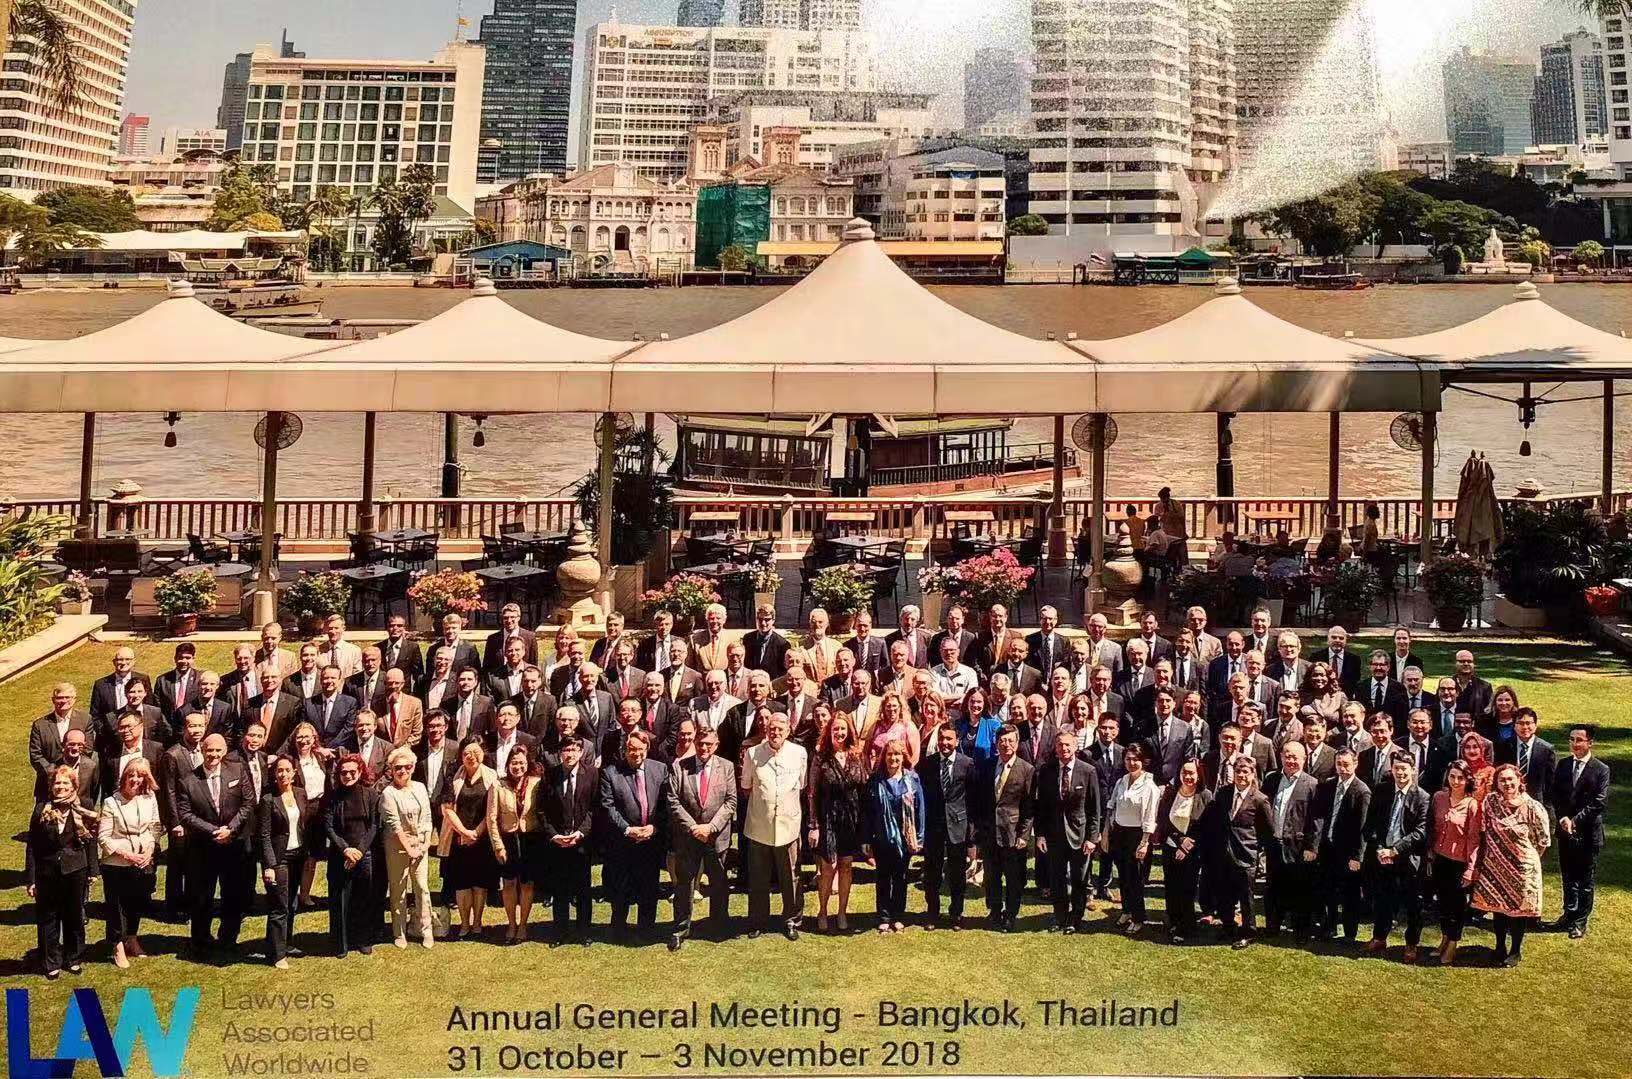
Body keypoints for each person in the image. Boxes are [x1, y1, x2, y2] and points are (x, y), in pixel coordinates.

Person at [174, 733, 251, 958]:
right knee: (201, 896)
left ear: (224, 751)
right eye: (209, 750)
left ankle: (228, 939)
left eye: (218, 750)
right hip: (203, 847)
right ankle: (200, 940)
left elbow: (248, 803)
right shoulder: (188, 780)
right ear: (202, 751)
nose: (213, 755)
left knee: (232, 894)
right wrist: (214, 831)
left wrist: (231, 829)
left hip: (233, 846)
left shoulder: (237, 770)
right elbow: (185, 814)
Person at [1473, 763, 1552, 966]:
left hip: (1522, 867)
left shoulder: (1532, 806)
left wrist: (1526, 858)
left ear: (1519, 781)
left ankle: (1515, 951)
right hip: (1495, 865)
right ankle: (1499, 947)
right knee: (1498, 907)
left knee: (1518, 910)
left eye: (1510, 779)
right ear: (1497, 783)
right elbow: (1483, 829)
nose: (1507, 783)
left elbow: (1543, 840)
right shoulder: (1490, 802)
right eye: (1502, 780)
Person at [666, 726, 736, 950]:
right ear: (694, 743)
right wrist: (694, 827)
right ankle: (681, 927)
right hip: (688, 837)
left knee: (719, 883)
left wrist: (711, 827)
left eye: (709, 744)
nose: (704, 748)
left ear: (716, 745)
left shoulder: (727, 766)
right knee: (684, 884)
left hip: (716, 837)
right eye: (700, 743)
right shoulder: (679, 766)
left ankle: (718, 925)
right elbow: (673, 801)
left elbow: (731, 802)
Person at [742, 711, 807, 941]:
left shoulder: (799, 753)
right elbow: (746, 786)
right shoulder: (752, 753)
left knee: (791, 877)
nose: (775, 733)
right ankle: (757, 921)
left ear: (788, 731)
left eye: (780, 729)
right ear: (766, 730)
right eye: (772, 729)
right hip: (759, 825)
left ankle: (792, 920)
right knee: (758, 878)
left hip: (789, 826)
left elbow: (801, 785)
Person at [27, 766, 96, 977]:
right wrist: (31, 879)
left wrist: (93, 870)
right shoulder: (42, 809)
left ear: (74, 785)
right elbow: (32, 846)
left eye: (66, 783)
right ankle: (51, 962)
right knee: (49, 917)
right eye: (57, 782)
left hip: (76, 870)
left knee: (74, 915)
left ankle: (73, 957)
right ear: (51, 786)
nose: (61, 786)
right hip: (46, 872)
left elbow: (91, 840)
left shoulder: (84, 806)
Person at [1364, 753, 1432, 962]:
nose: (1400, 773)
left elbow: (1421, 832)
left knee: (1413, 905)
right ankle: (1379, 937)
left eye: (1404, 768)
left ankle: (1411, 944)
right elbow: (1371, 824)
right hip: (1382, 856)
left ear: (1413, 770)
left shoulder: (1422, 797)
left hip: (1408, 859)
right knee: (1382, 899)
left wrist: (1395, 850)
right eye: (1396, 768)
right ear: (1391, 769)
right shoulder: (1382, 791)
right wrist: (1379, 848)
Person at [97, 757, 163, 969]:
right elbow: (103, 837)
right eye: (131, 775)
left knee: (137, 902)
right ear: (124, 777)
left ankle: (132, 938)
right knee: (117, 906)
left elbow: (155, 827)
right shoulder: (111, 802)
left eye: (140, 776)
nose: (135, 780)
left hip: (142, 859)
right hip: (117, 863)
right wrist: (127, 855)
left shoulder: (149, 798)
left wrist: (150, 850)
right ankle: (117, 945)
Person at [806, 705, 867, 932]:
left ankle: (842, 911)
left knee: (846, 866)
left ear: (848, 731)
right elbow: (812, 793)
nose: (839, 733)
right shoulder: (820, 757)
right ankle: (822, 911)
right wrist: (814, 825)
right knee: (828, 867)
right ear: (829, 731)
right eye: (835, 729)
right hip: (827, 819)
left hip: (850, 820)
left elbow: (863, 786)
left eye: (843, 729)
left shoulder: (856, 755)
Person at [1035, 729, 1100, 933]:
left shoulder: (1088, 771)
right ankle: (1060, 917)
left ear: (1075, 746)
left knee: (1079, 879)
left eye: (1067, 744)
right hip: (1054, 835)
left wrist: (1092, 838)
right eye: (1060, 745)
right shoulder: (1046, 771)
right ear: (1055, 748)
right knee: (1057, 878)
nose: (1064, 748)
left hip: (1080, 835)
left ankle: (1076, 918)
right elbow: (1041, 806)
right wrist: (1040, 834)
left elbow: (1094, 808)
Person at [1205, 756, 1272, 949]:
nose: (1241, 775)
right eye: (1238, 771)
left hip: (1246, 856)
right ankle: (1228, 927)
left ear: (1252, 775)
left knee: (1246, 898)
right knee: (1224, 894)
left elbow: (1268, 831)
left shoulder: (1260, 800)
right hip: (1223, 854)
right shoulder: (1223, 793)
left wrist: (1255, 852)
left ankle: (1249, 932)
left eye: (1246, 772)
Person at [537, 735, 597, 946]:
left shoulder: (592, 774)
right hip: (557, 842)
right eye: (566, 750)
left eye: (574, 750)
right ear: (560, 753)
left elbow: (594, 808)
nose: (570, 754)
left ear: (581, 752)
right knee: (560, 889)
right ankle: (560, 932)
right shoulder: (550, 775)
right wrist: (554, 835)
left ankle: (584, 932)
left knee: (583, 889)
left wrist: (580, 833)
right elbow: (542, 810)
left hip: (581, 841)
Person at [1550, 725, 1609, 940]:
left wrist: (1574, 821)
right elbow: (1556, 795)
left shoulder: (1601, 769)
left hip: (1588, 833)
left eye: (1579, 740)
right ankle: (1568, 914)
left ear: (1590, 743)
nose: (1575, 744)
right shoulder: (1564, 765)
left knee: (1585, 880)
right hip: (1565, 832)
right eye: (1572, 739)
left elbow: (1599, 802)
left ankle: (1580, 921)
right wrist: (1563, 818)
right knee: (1568, 877)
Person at [1261, 741, 1320, 938]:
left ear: (1304, 759)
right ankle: (1272, 926)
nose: (1291, 761)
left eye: (1295, 757)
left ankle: (1301, 931)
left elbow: (1316, 819)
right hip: (1274, 843)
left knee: (1299, 889)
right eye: (1287, 756)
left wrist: (1312, 847)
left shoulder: (1311, 784)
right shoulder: (1271, 779)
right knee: (1273, 886)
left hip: (1298, 847)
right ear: (1281, 757)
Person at [917, 724, 974, 930]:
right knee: (932, 873)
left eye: (949, 739)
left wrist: (971, 832)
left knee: (957, 873)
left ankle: (956, 913)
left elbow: (973, 799)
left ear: (957, 741)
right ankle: (932, 913)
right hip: (934, 826)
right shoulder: (926, 764)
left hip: (958, 826)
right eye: (942, 739)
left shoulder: (967, 764)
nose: (945, 743)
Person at [258, 755, 312, 969]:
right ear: (274, 773)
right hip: (278, 859)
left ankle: (285, 943)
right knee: (279, 906)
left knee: (291, 903)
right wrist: (269, 866)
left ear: (294, 772)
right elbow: (264, 835)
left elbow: (304, 824)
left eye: (287, 770)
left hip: (297, 855)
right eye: (279, 770)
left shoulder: (300, 793)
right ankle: (277, 954)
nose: (283, 774)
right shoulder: (268, 799)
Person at [324, 753, 380, 957]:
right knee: (340, 899)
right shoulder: (332, 797)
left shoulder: (370, 794)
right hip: (340, 854)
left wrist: (360, 851)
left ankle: (363, 939)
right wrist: (346, 850)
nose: (348, 776)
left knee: (363, 897)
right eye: (343, 772)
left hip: (364, 854)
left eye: (352, 772)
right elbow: (328, 826)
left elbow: (374, 825)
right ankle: (341, 944)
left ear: (360, 771)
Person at [1101, 743, 1160, 935]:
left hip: (1137, 836)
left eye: (1136, 759)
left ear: (1143, 761)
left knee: (1135, 880)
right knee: (1123, 877)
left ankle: (1138, 917)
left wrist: (1144, 843)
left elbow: (1150, 817)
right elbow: (1111, 807)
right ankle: (1126, 911)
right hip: (1119, 834)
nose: (1132, 763)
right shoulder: (1121, 781)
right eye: (1128, 759)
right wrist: (1106, 833)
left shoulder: (1150, 786)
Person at [979, 725, 1033, 931]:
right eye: (1002, 741)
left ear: (1017, 743)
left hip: (1013, 834)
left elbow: (1029, 807)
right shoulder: (987, 766)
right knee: (991, 876)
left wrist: (1024, 835)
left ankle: (1010, 914)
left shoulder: (1026, 770)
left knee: (1013, 879)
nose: (1006, 745)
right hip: (990, 832)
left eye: (1010, 740)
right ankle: (994, 911)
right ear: (996, 743)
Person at [442, 741, 497, 942]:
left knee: (480, 883)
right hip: (458, 838)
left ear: (483, 754)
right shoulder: (453, 777)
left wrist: (476, 832)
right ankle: (464, 924)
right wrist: (464, 832)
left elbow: (493, 809)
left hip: (482, 839)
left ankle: (477, 923)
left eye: (475, 752)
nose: (471, 756)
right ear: (461, 756)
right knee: (462, 884)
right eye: (466, 753)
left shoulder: (492, 776)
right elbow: (447, 808)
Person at [1314, 747, 1371, 942]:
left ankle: (1349, 933)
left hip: (1348, 852)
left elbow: (1363, 828)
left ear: (1355, 764)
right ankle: (1329, 926)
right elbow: (1320, 816)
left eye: (1346, 764)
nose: (1342, 768)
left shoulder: (1361, 791)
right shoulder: (1328, 785)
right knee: (1328, 889)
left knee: (1350, 894)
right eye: (1339, 764)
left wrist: (1357, 856)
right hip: (1328, 847)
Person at [1429, 759, 1482, 966]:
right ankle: (1444, 938)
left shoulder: (1472, 805)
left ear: (1468, 780)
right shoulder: (1439, 798)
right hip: (1439, 858)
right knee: (1442, 904)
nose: (1456, 781)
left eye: (1460, 778)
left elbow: (1474, 839)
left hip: (1459, 863)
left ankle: (1453, 943)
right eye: (1452, 776)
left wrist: (1470, 869)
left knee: (1456, 907)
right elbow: (1432, 828)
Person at [1154, 759, 1212, 943]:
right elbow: (1163, 821)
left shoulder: (1205, 796)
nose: (1188, 776)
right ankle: (1173, 921)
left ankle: (1186, 927)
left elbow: (1207, 825)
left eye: (1191, 773)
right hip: (1170, 847)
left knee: (1187, 889)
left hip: (1193, 852)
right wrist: (1179, 840)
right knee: (1171, 887)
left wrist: (1187, 847)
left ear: (1199, 775)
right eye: (1184, 772)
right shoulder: (1170, 793)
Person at [487, 743, 539, 944]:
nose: (518, 767)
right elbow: (491, 818)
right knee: (509, 883)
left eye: (522, 763)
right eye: (514, 763)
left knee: (527, 884)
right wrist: (497, 845)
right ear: (508, 764)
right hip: (507, 839)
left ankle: (523, 925)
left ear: (528, 763)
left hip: (529, 839)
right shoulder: (498, 785)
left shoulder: (536, 783)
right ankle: (511, 924)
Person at [286, 722, 329, 909]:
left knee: (313, 855)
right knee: (297, 853)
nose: (303, 741)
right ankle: (290, 895)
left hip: (319, 809)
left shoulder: (320, 757)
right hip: (300, 809)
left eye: (307, 737)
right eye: (300, 737)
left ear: (314, 739)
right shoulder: (290, 760)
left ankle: (305, 895)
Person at [862, 691, 920, 770]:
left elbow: (915, 756)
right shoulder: (876, 726)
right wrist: (869, 770)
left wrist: (907, 773)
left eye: (894, 706)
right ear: (884, 708)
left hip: (899, 773)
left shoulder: (908, 726)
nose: (892, 709)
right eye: (888, 706)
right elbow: (865, 752)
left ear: (900, 707)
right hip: (878, 773)